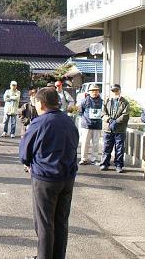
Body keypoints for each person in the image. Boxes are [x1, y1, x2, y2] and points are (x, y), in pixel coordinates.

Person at [19, 87, 79, 259]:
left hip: (45, 178)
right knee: (61, 221)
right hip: (67, 176)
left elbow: (24, 153)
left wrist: (28, 163)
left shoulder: (40, 122)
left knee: (45, 223)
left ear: (40, 103)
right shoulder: (68, 121)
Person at [100, 84, 129, 173]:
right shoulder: (106, 100)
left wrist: (116, 121)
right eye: (113, 91)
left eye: (117, 90)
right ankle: (104, 163)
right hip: (108, 128)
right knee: (106, 147)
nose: (115, 92)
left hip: (120, 128)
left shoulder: (125, 102)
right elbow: (102, 113)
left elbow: (125, 115)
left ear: (120, 91)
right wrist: (109, 120)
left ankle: (119, 165)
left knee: (119, 148)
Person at [79, 84, 103, 165]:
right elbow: (80, 111)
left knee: (96, 143)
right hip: (86, 125)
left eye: (96, 90)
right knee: (85, 143)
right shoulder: (85, 100)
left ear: (98, 92)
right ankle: (84, 158)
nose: (94, 92)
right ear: (89, 92)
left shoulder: (102, 101)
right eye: (93, 90)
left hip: (97, 125)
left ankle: (94, 159)